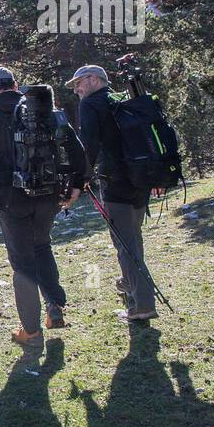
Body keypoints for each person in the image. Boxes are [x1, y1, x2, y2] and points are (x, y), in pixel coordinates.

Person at [0, 68, 88, 352]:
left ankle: (30, 330)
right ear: (16, 85)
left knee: (21, 263)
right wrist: (77, 185)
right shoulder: (44, 110)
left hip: (11, 199)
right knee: (42, 246)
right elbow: (77, 150)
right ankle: (54, 305)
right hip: (48, 196)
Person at [67, 64, 160, 322]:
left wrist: (80, 179)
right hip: (140, 178)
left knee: (125, 245)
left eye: (79, 83)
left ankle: (142, 304)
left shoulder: (90, 105)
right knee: (133, 238)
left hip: (115, 181)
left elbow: (90, 145)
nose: (76, 89)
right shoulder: (121, 100)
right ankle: (131, 286)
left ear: (96, 79)